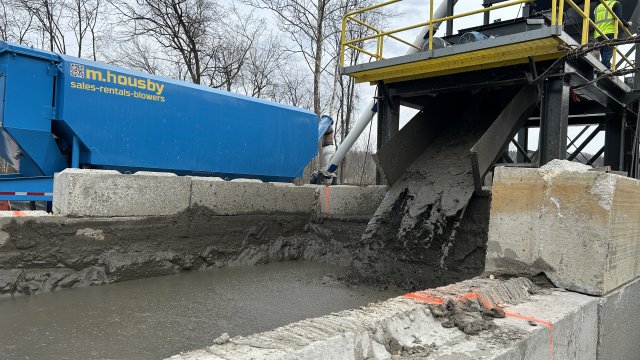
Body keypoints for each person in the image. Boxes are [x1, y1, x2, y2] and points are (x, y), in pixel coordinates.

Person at [594, 0, 632, 69]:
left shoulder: (598, 7)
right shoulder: (615, 4)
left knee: (604, 55)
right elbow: (619, 19)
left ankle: (606, 68)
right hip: (610, 32)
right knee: (606, 56)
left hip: (599, 33)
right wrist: (628, 24)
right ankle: (603, 71)